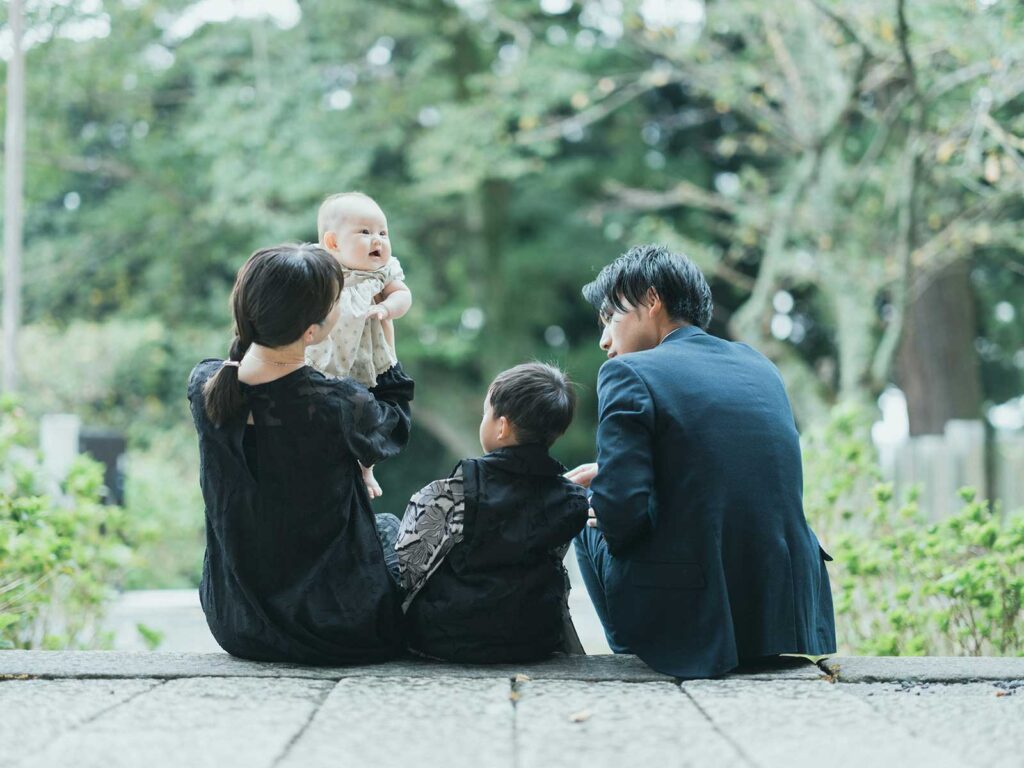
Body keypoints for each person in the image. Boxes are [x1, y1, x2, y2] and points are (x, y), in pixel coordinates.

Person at [568, 244, 836, 679]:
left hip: (694, 618)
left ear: (652, 301)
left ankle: (633, 651)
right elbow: (729, 467)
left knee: (586, 513)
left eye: (610, 319)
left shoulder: (628, 373)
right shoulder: (759, 365)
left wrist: (607, 489)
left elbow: (623, 516)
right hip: (787, 615)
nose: (604, 341)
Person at [187, 243, 414, 665]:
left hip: (237, 624)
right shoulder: (339, 404)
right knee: (392, 528)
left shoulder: (205, 384)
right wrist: (387, 350)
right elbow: (395, 426)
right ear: (312, 331)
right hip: (336, 630)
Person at [395, 363, 590, 663]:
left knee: (384, 527)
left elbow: (408, 566)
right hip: (534, 641)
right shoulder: (572, 501)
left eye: (487, 412)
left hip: (446, 639)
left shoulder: (455, 490)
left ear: (502, 426)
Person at [306, 191, 413, 499]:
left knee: (366, 423)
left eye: (383, 232)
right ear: (333, 243)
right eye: (365, 233)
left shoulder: (382, 271)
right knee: (328, 421)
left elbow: (403, 294)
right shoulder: (321, 270)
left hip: (370, 362)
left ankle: (365, 470)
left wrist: (388, 308)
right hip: (326, 361)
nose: (377, 240)